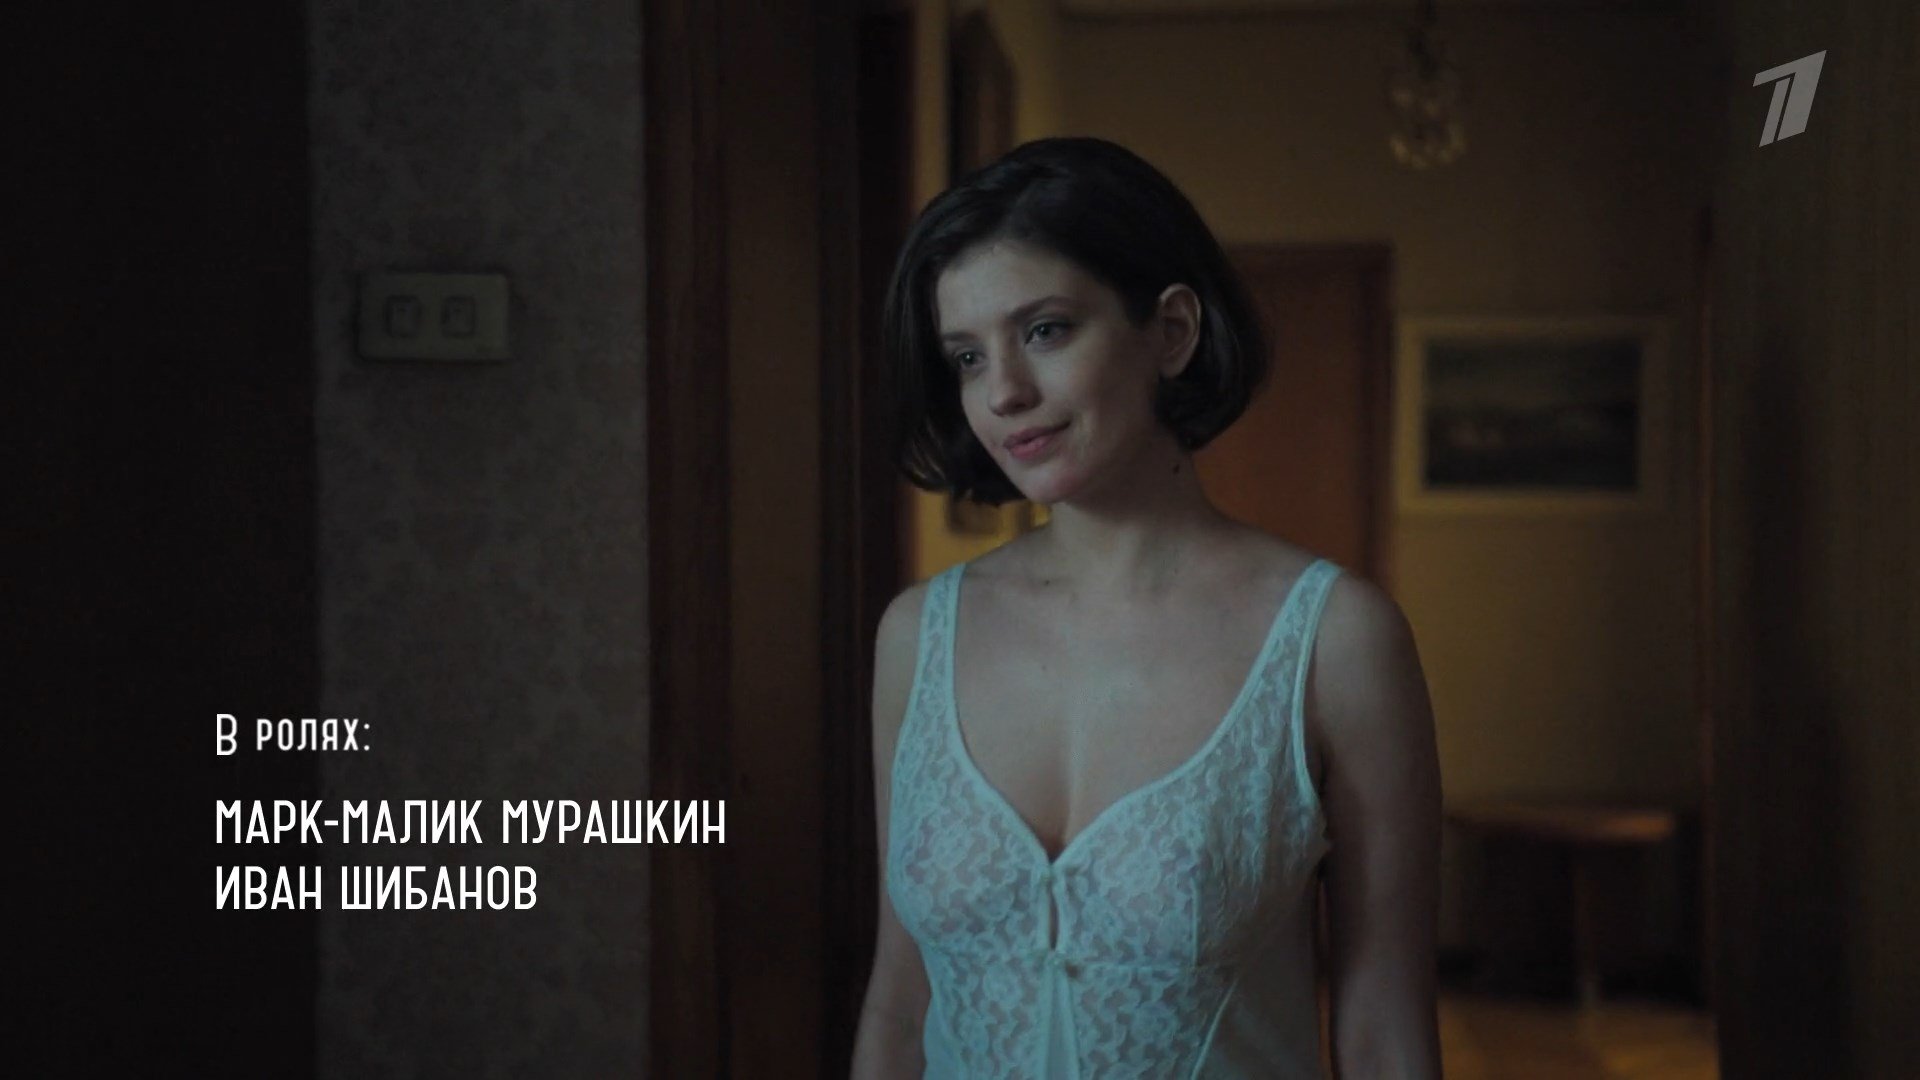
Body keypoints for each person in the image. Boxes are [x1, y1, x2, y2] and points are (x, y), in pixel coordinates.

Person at [850, 136, 1442, 1079]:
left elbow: (1384, 1027)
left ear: (1171, 331)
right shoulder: (917, 636)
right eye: (966, 356)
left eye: (1045, 330)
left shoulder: (1336, 641)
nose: (1003, 392)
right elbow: (898, 999)